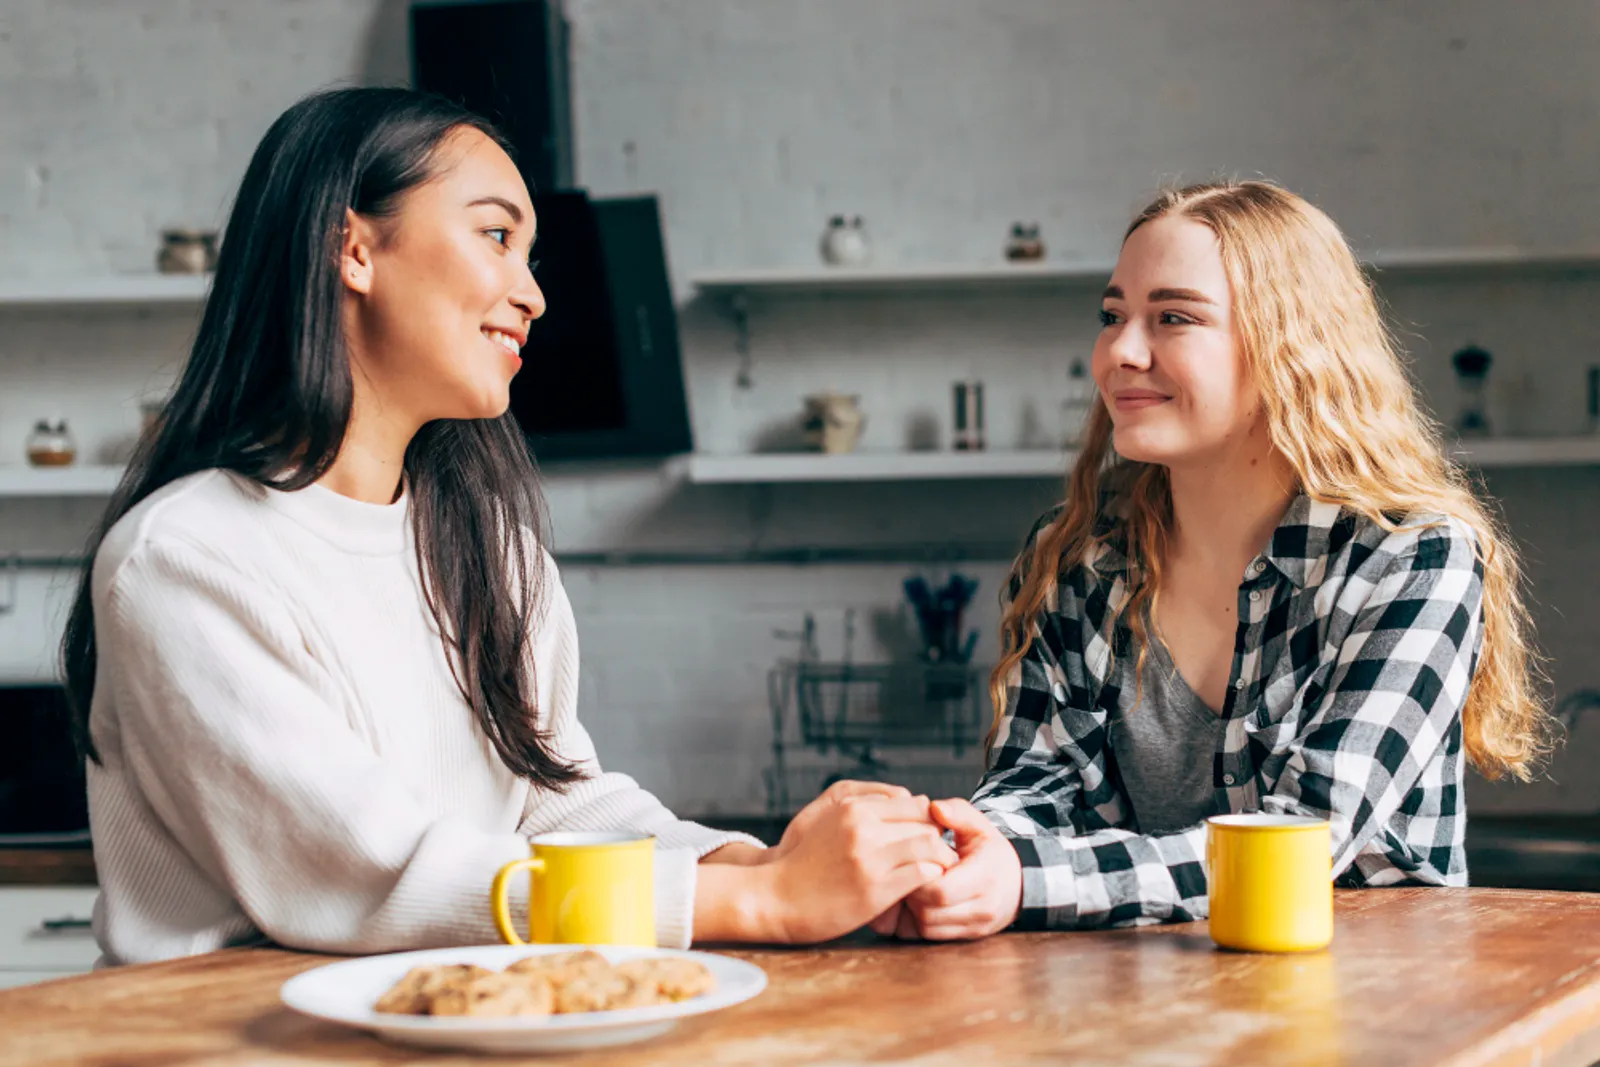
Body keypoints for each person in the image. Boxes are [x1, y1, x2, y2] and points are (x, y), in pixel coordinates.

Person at [64, 87, 956, 965]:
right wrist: (760, 901)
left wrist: (763, 860)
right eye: (497, 236)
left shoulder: (489, 548)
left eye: (530, 256)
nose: (531, 294)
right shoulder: (184, 558)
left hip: (445, 1023)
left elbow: (555, 808)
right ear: (354, 250)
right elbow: (368, 877)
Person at [878, 180, 1553, 939]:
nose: (1121, 352)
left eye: (1173, 318)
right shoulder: (1077, 554)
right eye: (1112, 316)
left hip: (1368, 1008)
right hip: (1132, 1010)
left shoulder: (1410, 561)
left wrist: (1027, 879)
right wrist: (953, 849)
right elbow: (1039, 780)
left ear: (1290, 347)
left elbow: (1303, 836)